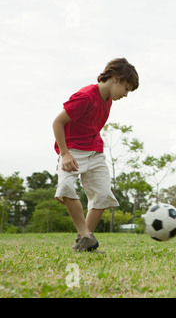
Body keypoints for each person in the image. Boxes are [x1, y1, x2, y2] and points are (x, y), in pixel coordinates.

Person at [53, 58, 139, 252]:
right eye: (126, 88)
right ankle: (85, 236)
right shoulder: (85, 96)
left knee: (102, 195)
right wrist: (65, 153)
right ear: (116, 79)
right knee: (66, 187)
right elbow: (57, 123)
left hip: (95, 151)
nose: (126, 94)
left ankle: (83, 241)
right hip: (72, 150)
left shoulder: (108, 100)